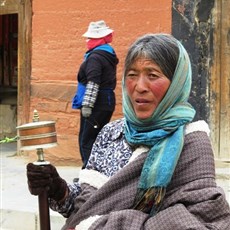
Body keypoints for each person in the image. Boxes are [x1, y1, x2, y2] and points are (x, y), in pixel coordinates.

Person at [27, 33, 230, 229]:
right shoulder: (112, 133)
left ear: (176, 83)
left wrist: (103, 226)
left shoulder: (191, 143)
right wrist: (58, 190)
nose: (139, 86)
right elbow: (86, 207)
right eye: (132, 75)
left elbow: (202, 220)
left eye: (152, 75)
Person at [72, 20, 119, 168]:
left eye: (91, 38)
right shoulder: (107, 54)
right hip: (106, 101)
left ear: (99, 39)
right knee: (98, 138)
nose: (87, 41)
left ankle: (89, 173)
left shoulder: (95, 57)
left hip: (96, 104)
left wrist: (87, 105)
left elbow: (93, 82)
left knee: (88, 140)